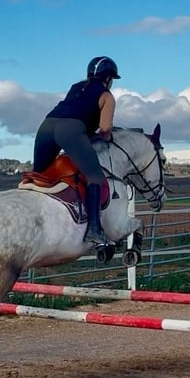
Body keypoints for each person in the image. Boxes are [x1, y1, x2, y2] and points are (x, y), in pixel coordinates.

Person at [32, 56, 120, 246]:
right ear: (108, 78)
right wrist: (105, 138)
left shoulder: (75, 87)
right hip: (71, 130)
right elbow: (105, 128)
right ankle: (94, 231)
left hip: (46, 127)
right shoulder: (107, 96)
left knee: (38, 175)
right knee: (95, 177)